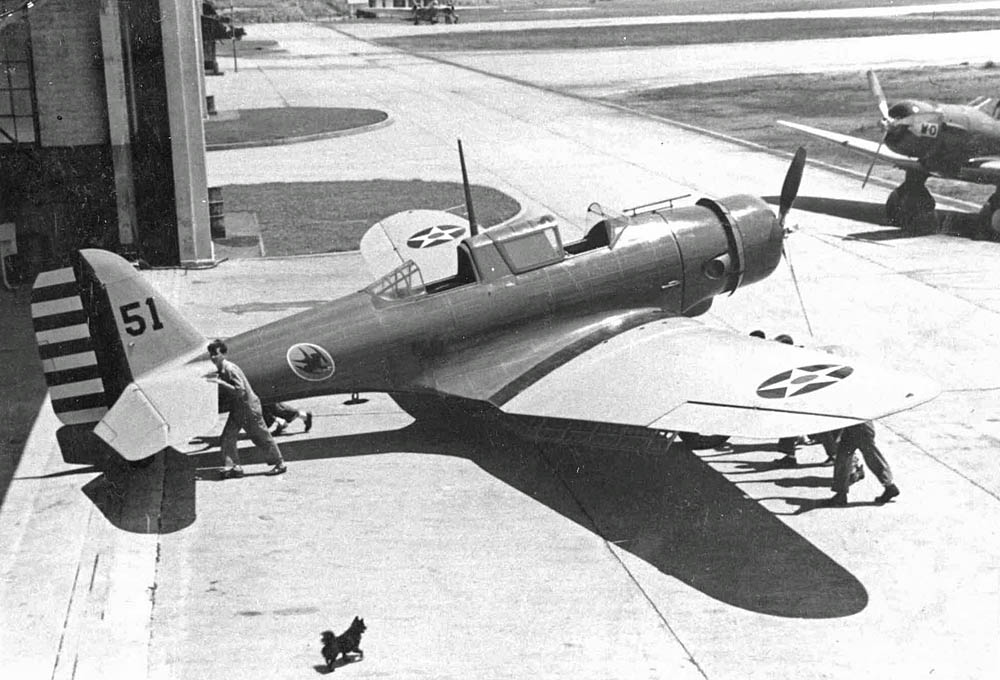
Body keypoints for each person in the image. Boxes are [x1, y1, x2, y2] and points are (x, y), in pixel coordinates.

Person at [206, 338, 287, 478]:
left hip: (248, 407)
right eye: (211, 354)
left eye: (216, 354)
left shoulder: (230, 369)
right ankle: (234, 467)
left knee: (261, 436)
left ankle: (280, 464)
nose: (213, 357)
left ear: (224, 354)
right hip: (238, 408)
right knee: (227, 437)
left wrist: (219, 382)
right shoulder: (220, 369)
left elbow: (240, 391)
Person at [827, 421, 899, 506]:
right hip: (853, 424)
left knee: (871, 457)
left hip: (860, 425)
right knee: (844, 456)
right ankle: (840, 494)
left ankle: (889, 486)